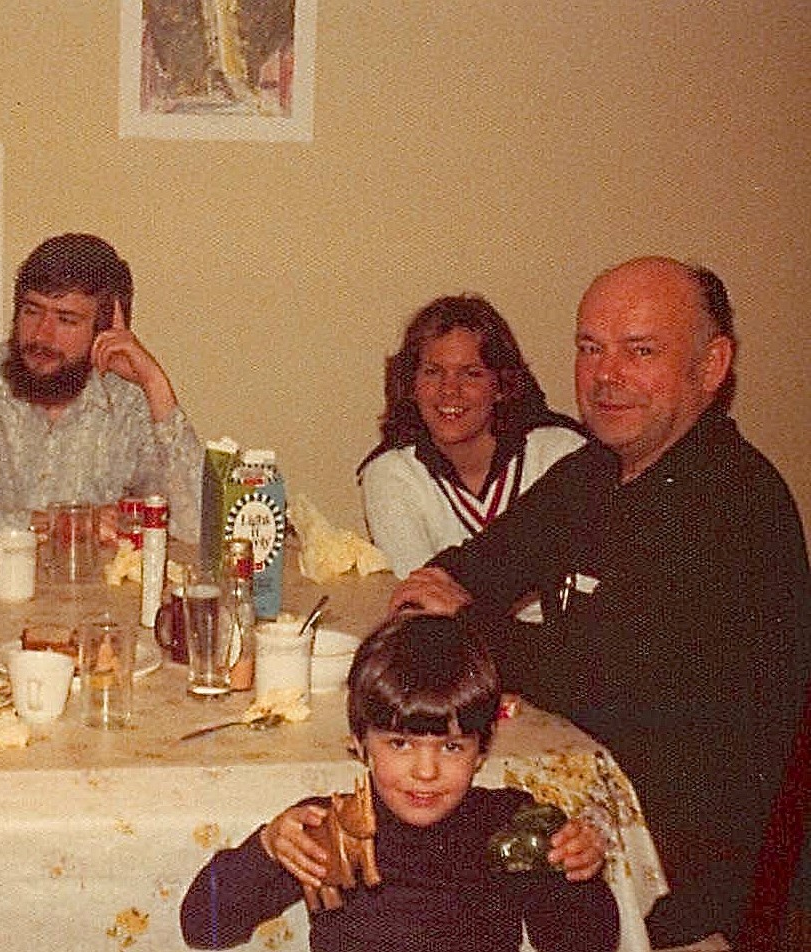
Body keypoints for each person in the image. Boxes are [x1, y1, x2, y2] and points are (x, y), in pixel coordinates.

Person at [388, 257, 811, 947]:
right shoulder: (596, 470)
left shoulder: (731, 502)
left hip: (665, 879)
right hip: (575, 811)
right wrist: (452, 602)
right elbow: (470, 566)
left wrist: (463, 620)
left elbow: (593, 675)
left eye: (640, 351)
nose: (606, 375)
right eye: (591, 348)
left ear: (712, 366)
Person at [180, 613, 618, 952]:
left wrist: (578, 874)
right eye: (400, 745)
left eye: (451, 748)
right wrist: (266, 850)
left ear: (482, 749)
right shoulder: (326, 828)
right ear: (360, 744)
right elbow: (204, 926)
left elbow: (583, 943)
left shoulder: (510, 825)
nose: (425, 772)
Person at [0, 232, 203, 548]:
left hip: (92, 597)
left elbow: (196, 529)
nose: (41, 334)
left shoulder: (129, 401)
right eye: (32, 311)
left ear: (105, 330)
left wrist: (156, 385)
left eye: (66, 320)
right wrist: (57, 524)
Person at [357, 294, 586, 581]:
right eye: (432, 372)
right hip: (444, 627)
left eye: (471, 374)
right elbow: (422, 598)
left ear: (501, 385)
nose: (449, 389)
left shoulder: (562, 454)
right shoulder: (391, 474)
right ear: (411, 385)